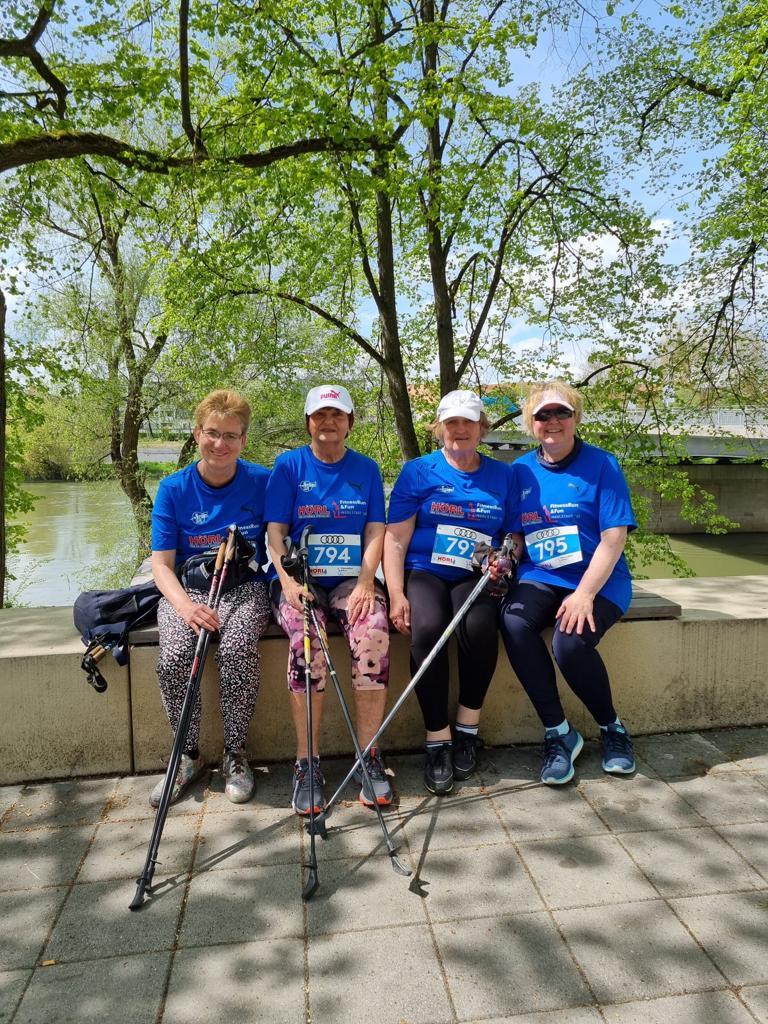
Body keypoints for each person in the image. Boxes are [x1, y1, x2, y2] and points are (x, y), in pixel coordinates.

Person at [499, 380, 637, 785]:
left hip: (599, 578)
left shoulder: (603, 464)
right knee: (513, 622)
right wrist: (505, 558)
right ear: (531, 423)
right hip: (542, 574)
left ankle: (612, 728)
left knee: (569, 642)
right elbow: (517, 535)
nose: (552, 421)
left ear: (575, 417)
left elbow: (614, 537)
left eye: (561, 413)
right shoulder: (520, 470)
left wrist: (585, 593)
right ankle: (559, 733)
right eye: (543, 415)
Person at [383, 389, 519, 795]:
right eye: (452, 422)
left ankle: (466, 729)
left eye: (468, 422)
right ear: (439, 428)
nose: (460, 430)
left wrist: (506, 558)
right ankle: (437, 739)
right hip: (425, 570)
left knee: (479, 631)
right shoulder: (418, 472)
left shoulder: (502, 475)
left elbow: (512, 533)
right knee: (426, 631)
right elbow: (394, 539)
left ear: (482, 428)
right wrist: (395, 593)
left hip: (473, 572)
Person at [266, 384, 392, 815]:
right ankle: (307, 763)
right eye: (320, 416)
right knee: (307, 637)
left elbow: (376, 530)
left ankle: (368, 756)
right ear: (308, 423)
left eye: (338, 415)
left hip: (348, 581)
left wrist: (364, 582)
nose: (329, 423)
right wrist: (286, 580)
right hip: (299, 580)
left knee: (374, 629)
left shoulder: (367, 469)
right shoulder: (288, 467)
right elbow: (275, 532)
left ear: (350, 423)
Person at [150, 389, 270, 806]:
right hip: (188, 590)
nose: (221, 444)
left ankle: (235, 752)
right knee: (177, 656)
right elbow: (161, 565)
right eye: (212, 433)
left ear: (244, 440)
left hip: (244, 587)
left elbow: (282, 535)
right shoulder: (172, 489)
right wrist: (185, 606)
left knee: (237, 648)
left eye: (231, 436)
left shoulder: (262, 481)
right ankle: (187, 754)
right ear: (197, 432)